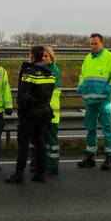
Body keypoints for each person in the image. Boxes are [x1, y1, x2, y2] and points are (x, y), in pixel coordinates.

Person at [5, 45, 55, 184]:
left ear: (32, 56)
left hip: (30, 112)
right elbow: (49, 94)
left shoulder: (30, 71)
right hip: (45, 111)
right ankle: (41, 173)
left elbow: (23, 95)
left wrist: (21, 109)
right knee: (40, 143)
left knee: (24, 143)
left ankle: (19, 174)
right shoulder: (49, 72)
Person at [77, 33, 111, 170]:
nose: (93, 46)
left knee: (106, 128)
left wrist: (108, 89)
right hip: (90, 100)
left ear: (102, 43)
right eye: (91, 43)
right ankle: (90, 156)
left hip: (103, 100)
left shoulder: (110, 57)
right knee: (90, 128)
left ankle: (109, 157)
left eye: (95, 43)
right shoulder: (88, 58)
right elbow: (83, 76)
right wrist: (81, 87)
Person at [44, 46, 62, 175]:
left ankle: (53, 165)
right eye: (42, 56)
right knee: (45, 139)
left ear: (51, 57)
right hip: (44, 111)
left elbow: (51, 92)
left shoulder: (53, 70)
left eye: (46, 56)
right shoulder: (44, 69)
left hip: (51, 112)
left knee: (52, 139)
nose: (44, 58)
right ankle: (47, 163)